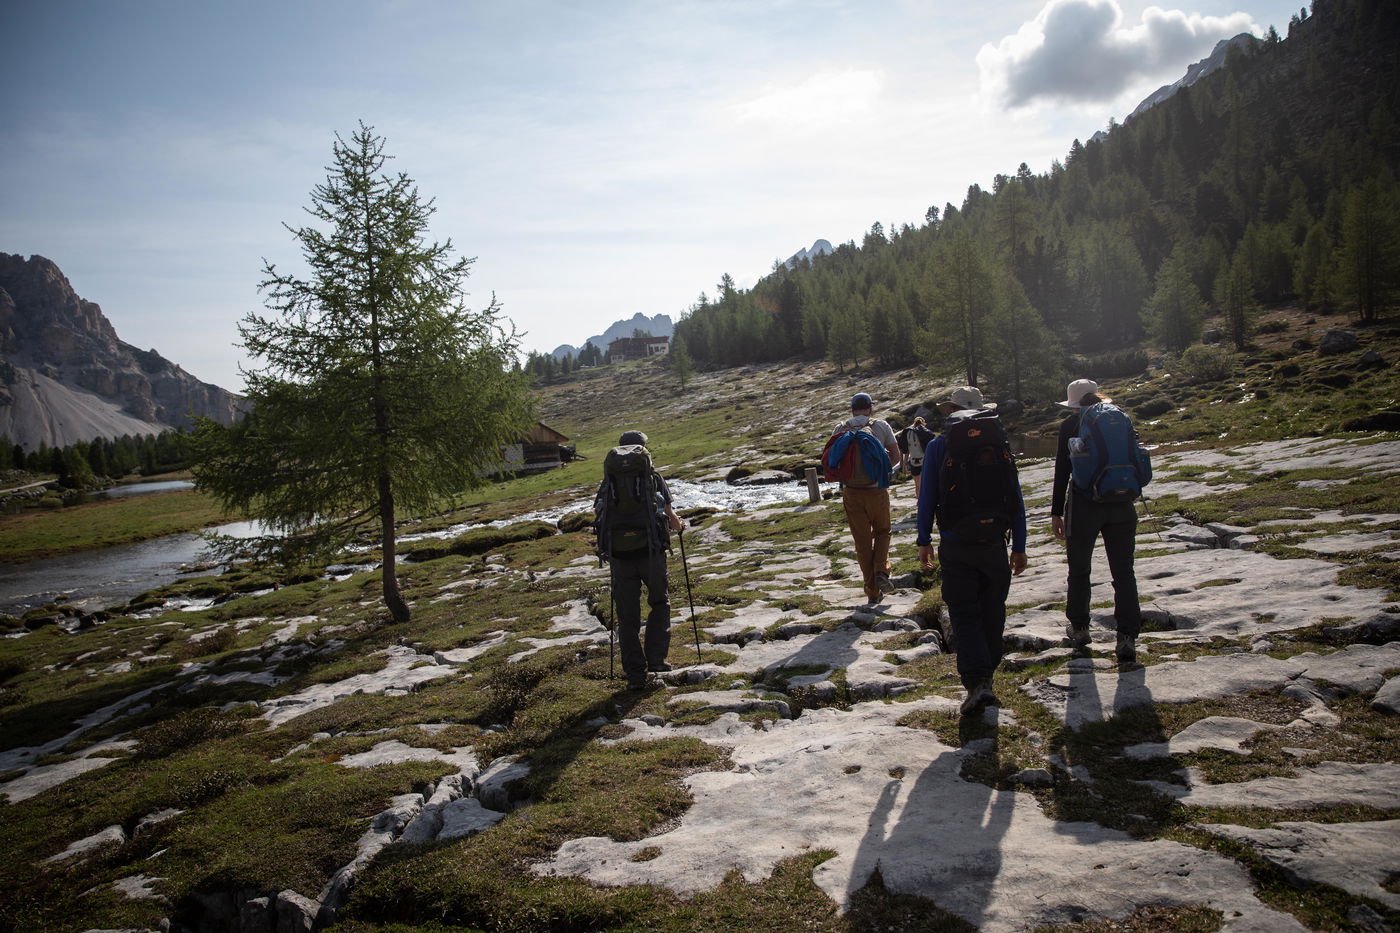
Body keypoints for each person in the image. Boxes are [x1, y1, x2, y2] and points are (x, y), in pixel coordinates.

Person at [915, 386, 1029, 716]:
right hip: (995, 542)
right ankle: (987, 677)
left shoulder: (939, 445)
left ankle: (977, 682)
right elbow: (1015, 497)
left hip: (955, 542)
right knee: (993, 609)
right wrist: (1019, 546)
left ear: (952, 410)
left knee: (964, 613)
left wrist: (924, 540)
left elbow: (928, 498)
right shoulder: (997, 443)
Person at [1050, 379, 1143, 665]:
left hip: (1084, 506)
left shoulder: (1070, 426)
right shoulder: (1119, 418)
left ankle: (1079, 629)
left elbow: (1062, 470)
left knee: (1079, 569)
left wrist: (1056, 511)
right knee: (1124, 571)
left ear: (1074, 403)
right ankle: (1126, 636)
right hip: (1122, 503)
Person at [595, 429, 684, 690]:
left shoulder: (609, 479)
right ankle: (657, 660)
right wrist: (678, 526)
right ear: (644, 449)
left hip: (620, 555)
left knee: (627, 616)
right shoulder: (652, 476)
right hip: (650, 550)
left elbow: (599, 511)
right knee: (659, 602)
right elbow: (670, 515)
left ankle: (635, 673)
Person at [831, 392, 903, 604]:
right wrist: (885, 472)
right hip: (876, 490)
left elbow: (832, 460)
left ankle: (872, 591)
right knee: (882, 531)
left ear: (852, 409)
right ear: (870, 408)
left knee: (862, 542)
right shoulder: (880, 426)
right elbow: (896, 456)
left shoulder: (840, 428)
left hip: (851, 492)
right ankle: (881, 569)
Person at [897, 416, 935, 498]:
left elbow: (906, 451)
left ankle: (919, 502)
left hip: (913, 462)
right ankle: (926, 501)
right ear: (923, 423)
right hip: (924, 461)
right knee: (925, 484)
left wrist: (904, 466)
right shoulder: (924, 433)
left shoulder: (908, 433)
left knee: (917, 484)